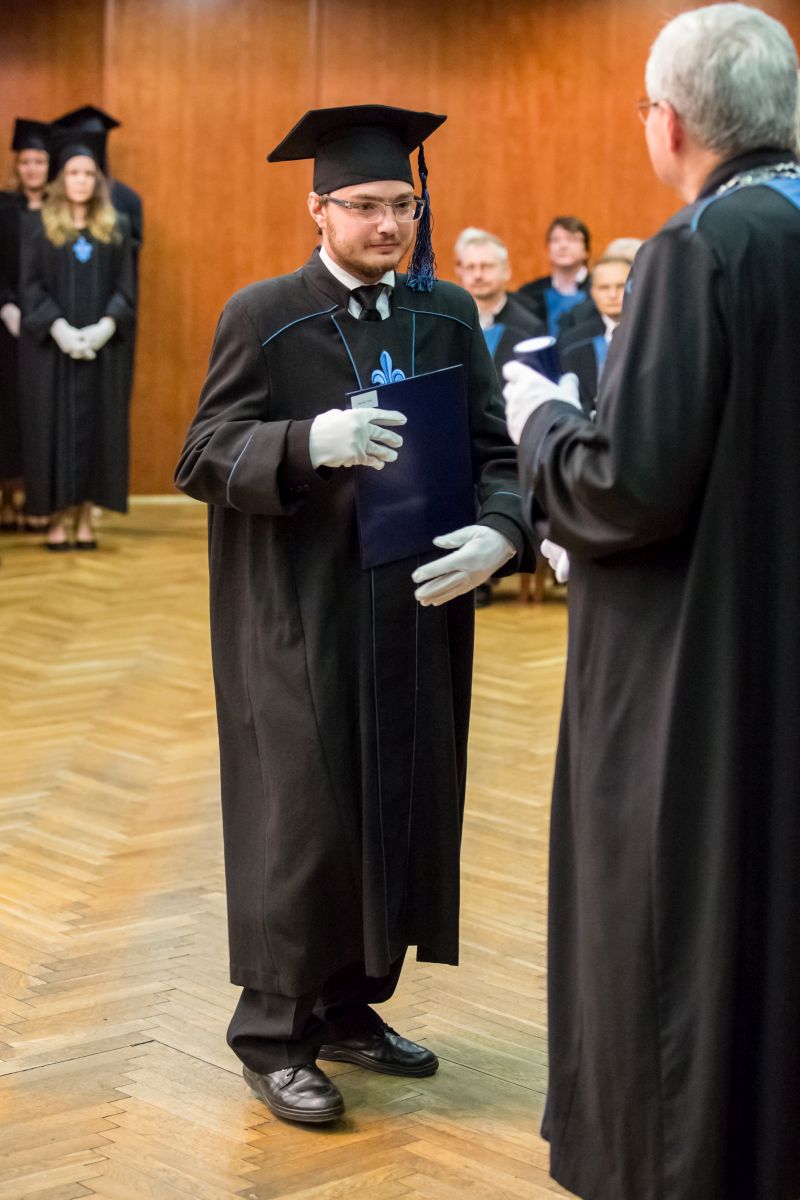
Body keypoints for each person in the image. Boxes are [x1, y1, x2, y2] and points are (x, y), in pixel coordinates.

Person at [175, 104, 529, 1126]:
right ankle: (273, 1034)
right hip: (301, 616)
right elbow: (201, 454)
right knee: (305, 820)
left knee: (394, 812)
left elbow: (494, 451)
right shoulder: (263, 315)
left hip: (413, 609)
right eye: (366, 206)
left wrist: (503, 530)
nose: (389, 225)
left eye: (403, 206)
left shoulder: (445, 314)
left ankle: (347, 1006)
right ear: (317, 209)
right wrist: (304, 442)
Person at [504, 6, 800, 1200]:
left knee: (673, 918)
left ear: (666, 123)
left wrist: (537, 422)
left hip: (699, 666)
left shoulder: (697, 247)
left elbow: (623, 484)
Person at [19, 127, 136, 549]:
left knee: (98, 432)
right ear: (61, 179)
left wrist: (105, 328)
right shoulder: (39, 227)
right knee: (50, 432)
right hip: (53, 353)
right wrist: (59, 328)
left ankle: (86, 517)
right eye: (73, 173)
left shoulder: (116, 227)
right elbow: (31, 287)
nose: (81, 180)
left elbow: (126, 288)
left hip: (101, 353)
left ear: (98, 181)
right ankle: (55, 518)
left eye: (88, 173)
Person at [0, 118, 50, 531]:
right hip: (6, 328)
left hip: (46, 327)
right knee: (8, 410)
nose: (32, 169)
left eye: (40, 161)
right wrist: (6, 305)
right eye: (26, 162)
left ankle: (40, 498)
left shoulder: (60, 211)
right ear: (17, 166)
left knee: (41, 412)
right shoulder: (3, 208)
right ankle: (7, 497)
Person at [52, 106, 143, 263]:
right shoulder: (53, 208)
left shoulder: (128, 200)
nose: (81, 180)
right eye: (74, 172)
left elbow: (128, 260)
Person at [453, 226, 544, 378]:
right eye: (470, 267)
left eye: (486, 266)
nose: (478, 275)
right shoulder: (450, 324)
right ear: (460, 272)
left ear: (506, 271)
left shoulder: (530, 328)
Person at [557, 255, 632, 414]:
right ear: (593, 292)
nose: (613, 294)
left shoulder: (657, 337)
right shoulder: (572, 344)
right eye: (604, 288)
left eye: (621, 286)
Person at [515, 215, 591, 335]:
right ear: (548, 250)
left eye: (571, 239)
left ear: (586, 250)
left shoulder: (602, 289)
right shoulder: (529, 293)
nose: (563, 245)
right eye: (556, 240)